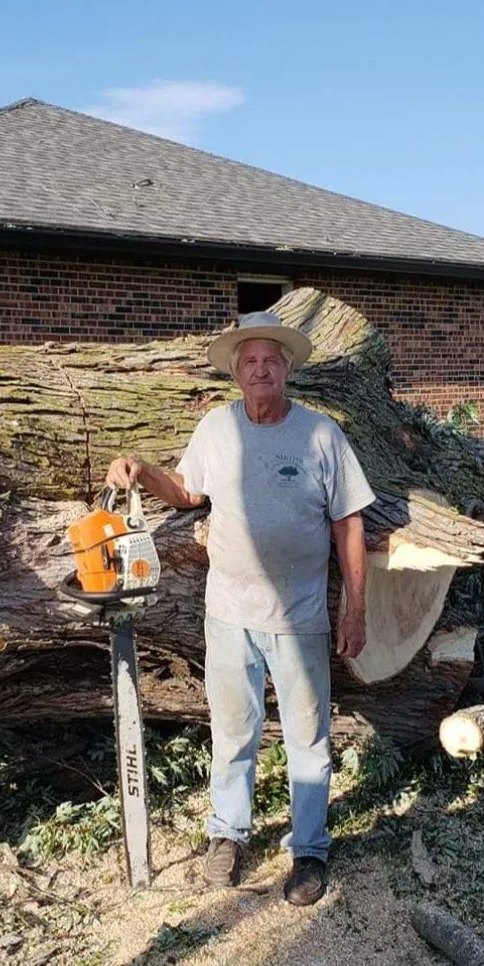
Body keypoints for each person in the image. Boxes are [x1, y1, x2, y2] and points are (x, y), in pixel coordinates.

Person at [105, 310, 375, 906]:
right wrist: (143, 470)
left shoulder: (320, 435)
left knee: (308, 735)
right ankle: (228, 834)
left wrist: (356, 608)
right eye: (249, 361)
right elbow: (188, 491)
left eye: (270, 361)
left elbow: (348, 521)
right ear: (235, 371)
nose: (260, 370)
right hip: (227, 611)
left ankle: (308, 850)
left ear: (287, 370)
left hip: (300, 615)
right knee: (232, 730)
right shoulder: (216, 428)